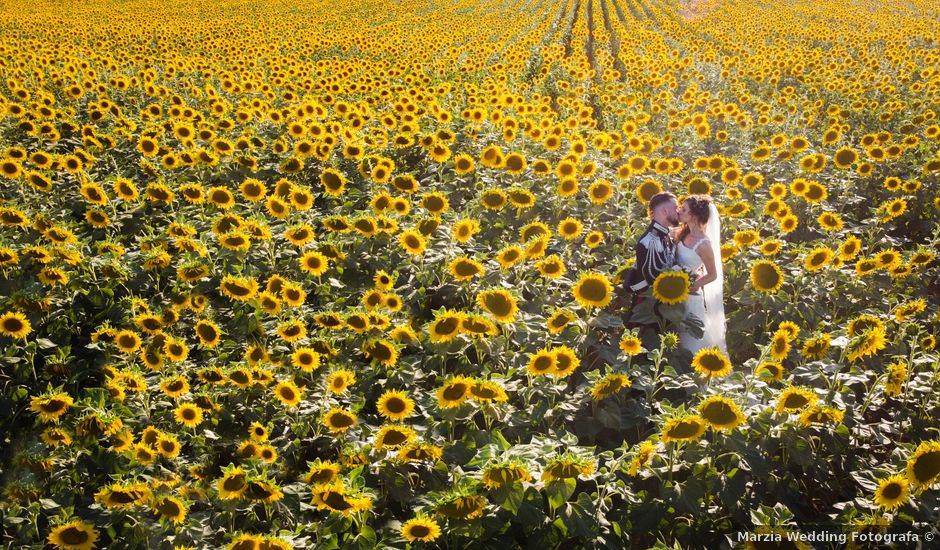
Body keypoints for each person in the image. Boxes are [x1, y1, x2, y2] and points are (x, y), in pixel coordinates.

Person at [674, 194, 727, 354]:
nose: (679, 211)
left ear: (694, 216)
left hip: (690, 295)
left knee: (691, 338)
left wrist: (694, 285)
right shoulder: (681, 232)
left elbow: (712, 274)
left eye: (684, 209)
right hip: (673, 290)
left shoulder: (703, 244)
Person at [619, 192, 679, 330]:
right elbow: (652, 278)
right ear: (665, 211)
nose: (679, 211)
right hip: (649, 307)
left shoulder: (664, 234)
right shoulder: (650, 240)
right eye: (676, 207)